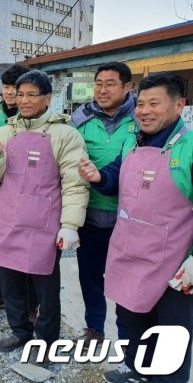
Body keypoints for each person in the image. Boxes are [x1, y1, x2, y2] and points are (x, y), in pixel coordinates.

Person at [80, 72, 193, 383]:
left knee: (168, 333)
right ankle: (135, 370)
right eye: (141, 103)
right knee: (130, 319)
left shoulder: (190, 147)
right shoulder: (133, 139)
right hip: (129, 251)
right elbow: (117, 174)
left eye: (154, 103)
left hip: (173, 265)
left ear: (179, 105)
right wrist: (98, 177)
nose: (144, 110)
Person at [0, 70, 89, 363]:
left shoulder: (64, 133)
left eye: (31, 94)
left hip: (43, 224)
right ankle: (20, 331)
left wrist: (70, 225)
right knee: (11, 285)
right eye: (20, 94)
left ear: (47, 98)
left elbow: (75, 183)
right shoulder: (4, 132)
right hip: (8, 220)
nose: (24, 100)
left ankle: (47, 343)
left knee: (46, 291)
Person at [71, 62, 137, 347]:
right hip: (89, 214)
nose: (102, 89)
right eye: (98, 83)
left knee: (126, 281)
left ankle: (128, 338)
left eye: (110, 83)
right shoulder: (80, 118)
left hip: (128, 218)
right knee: (90, 276)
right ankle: (94, 328)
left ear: (127, 87)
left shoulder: (141, 119)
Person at [0, 63, 34, 315]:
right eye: (7, 87)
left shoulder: (36, 120)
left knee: (26, 248)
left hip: (27, 195)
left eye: (15, 87)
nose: (10, 92)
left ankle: (29, 302)